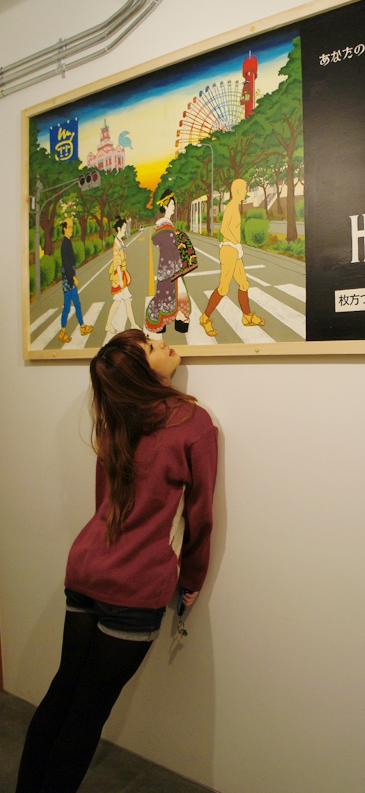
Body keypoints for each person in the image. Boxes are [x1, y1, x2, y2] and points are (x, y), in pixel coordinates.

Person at [15, 329, 218, 793]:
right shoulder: (194, 423)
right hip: (134, 584)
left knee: (63, 691)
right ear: (142, 372)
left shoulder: (116, 422)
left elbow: (103, 504)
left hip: (87, 568)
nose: (162, 342)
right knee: (88, 711)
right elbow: (200, 513)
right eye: (150, 347)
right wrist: (192, 576)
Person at [200, 178, 264, 337]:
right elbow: (224, 229)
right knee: (224, 288)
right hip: (229, 250)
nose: (246, 191)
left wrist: (237, 246)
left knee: (243, 283)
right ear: (237, 191)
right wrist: (236, 244)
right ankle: (205, 318)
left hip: (234, 249)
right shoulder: (231, 207)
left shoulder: (235, 206)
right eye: (244, 188)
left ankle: (247, 316)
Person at [145, 189, 198, 334]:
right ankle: (176, 323)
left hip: (168, 269)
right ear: (165, 206)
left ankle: (173, 323)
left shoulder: (165, 227)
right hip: (171, 270)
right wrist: (178, 266)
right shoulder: (166, 228)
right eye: (172, 205)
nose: (174, 207)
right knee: (172, 297)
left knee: (168, 297)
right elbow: (169, 252)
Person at [58, 217, 94, 344]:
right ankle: (63, 332)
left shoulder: (68, 242)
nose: (72, 229)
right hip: (68, 279)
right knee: (67, 307)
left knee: (77, 304)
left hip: (69, 278)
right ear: (64, 229)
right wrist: (73, 277)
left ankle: (82, 327)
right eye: (70, 227)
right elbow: (67, 264)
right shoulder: (65, 244)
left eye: (72, 227)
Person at [105, 216, 140, 333]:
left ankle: (133, 324)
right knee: (119, 301)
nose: (125, 230)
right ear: (119, 228)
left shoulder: (119, 241)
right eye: (124, 228)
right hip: (119, 276)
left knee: (125, 301)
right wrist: (120, 280)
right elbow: (117, 264)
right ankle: (109, 324)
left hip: (122, 274)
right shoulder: (117, 244)